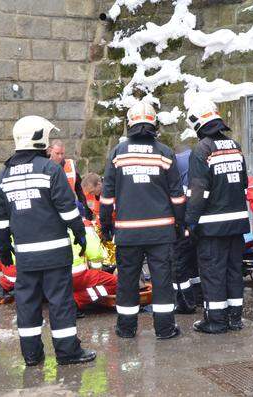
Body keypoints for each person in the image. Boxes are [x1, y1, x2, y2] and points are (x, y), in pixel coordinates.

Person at [0, 115, 95, 366]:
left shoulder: (4, 175)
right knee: (60, 302)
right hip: (55, 254)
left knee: (27, 304)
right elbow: (69, 211)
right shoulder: (50, 169)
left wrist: (5, 249)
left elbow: (0, 220)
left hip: (25, 256)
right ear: (39, 139)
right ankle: (67, 352)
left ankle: (32, 355)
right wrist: (80, 235)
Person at [100, 101, 185, 340]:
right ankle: (165, 329)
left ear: (130, 123)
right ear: (154, 123)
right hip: (161, 232)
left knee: (127, 281)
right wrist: (180, 224)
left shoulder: (118, 153)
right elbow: (177, 196)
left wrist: (105, 224)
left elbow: (107, 196)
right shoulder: (165, 153)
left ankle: (126, 329)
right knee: (162, 281)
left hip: (128, 233)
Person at [185, 98, 250, 334]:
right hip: (237, 224)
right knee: (234, 271)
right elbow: (244, 184)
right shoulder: (235, 145)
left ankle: (216, 320)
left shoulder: (202, 149)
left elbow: (198, 192)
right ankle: (235, 318)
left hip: (212, 227)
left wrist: (189, 223)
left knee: (213, 273)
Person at [0, 224, 117, 311]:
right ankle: (76, 300)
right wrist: (96, 271)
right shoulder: (85, 226)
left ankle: (12, 286)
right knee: (116, 284)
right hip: (76, 275)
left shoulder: (45, 223)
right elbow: (95, 255)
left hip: (49, 274)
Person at [171, 146, 200, 314]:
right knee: (193, 263)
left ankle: (186, 303)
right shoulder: (189, 158)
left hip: (184, 224)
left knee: (179, 265)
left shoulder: (174, 169)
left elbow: (178, 201)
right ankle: (199, 297)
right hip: (195, 221)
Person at [49, 140, 93, 221]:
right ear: (50, 151)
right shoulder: (44, 167)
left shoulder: (70, 165)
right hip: (51, 210)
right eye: (57, 153)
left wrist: (85, 207)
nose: (60, 156)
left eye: (62, 153)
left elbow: (79, 189)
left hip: (68, 208)